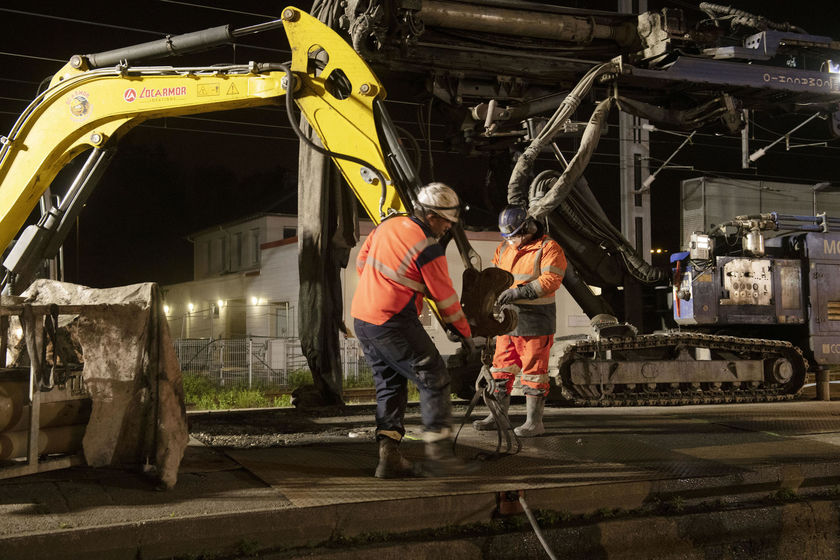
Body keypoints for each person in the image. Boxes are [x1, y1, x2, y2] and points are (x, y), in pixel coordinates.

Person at [352, 182, 473, 478]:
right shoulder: (428, 247)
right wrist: (467, 334)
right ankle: (440, 456)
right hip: (392, 320)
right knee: (434, 376)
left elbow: (361, 263)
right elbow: (445, 298)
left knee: (390, 385)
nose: (448, 227)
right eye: (446, 221)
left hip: (363, 318)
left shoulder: (387, 226)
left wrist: (387, 286)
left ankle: (388, 457)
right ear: (432, 215)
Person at [473, 206, 566, 437]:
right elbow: (496, 276)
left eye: (513, 235)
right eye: (507, 236)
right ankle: (497, 417)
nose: (511, 241)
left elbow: (551, 280)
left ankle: (534, 423)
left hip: (536, 323)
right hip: (507, 321)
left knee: (534, 373)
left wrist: (519, 292)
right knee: (501, 370)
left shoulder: (548, 248)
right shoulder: (504, 247)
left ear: (527, 228)